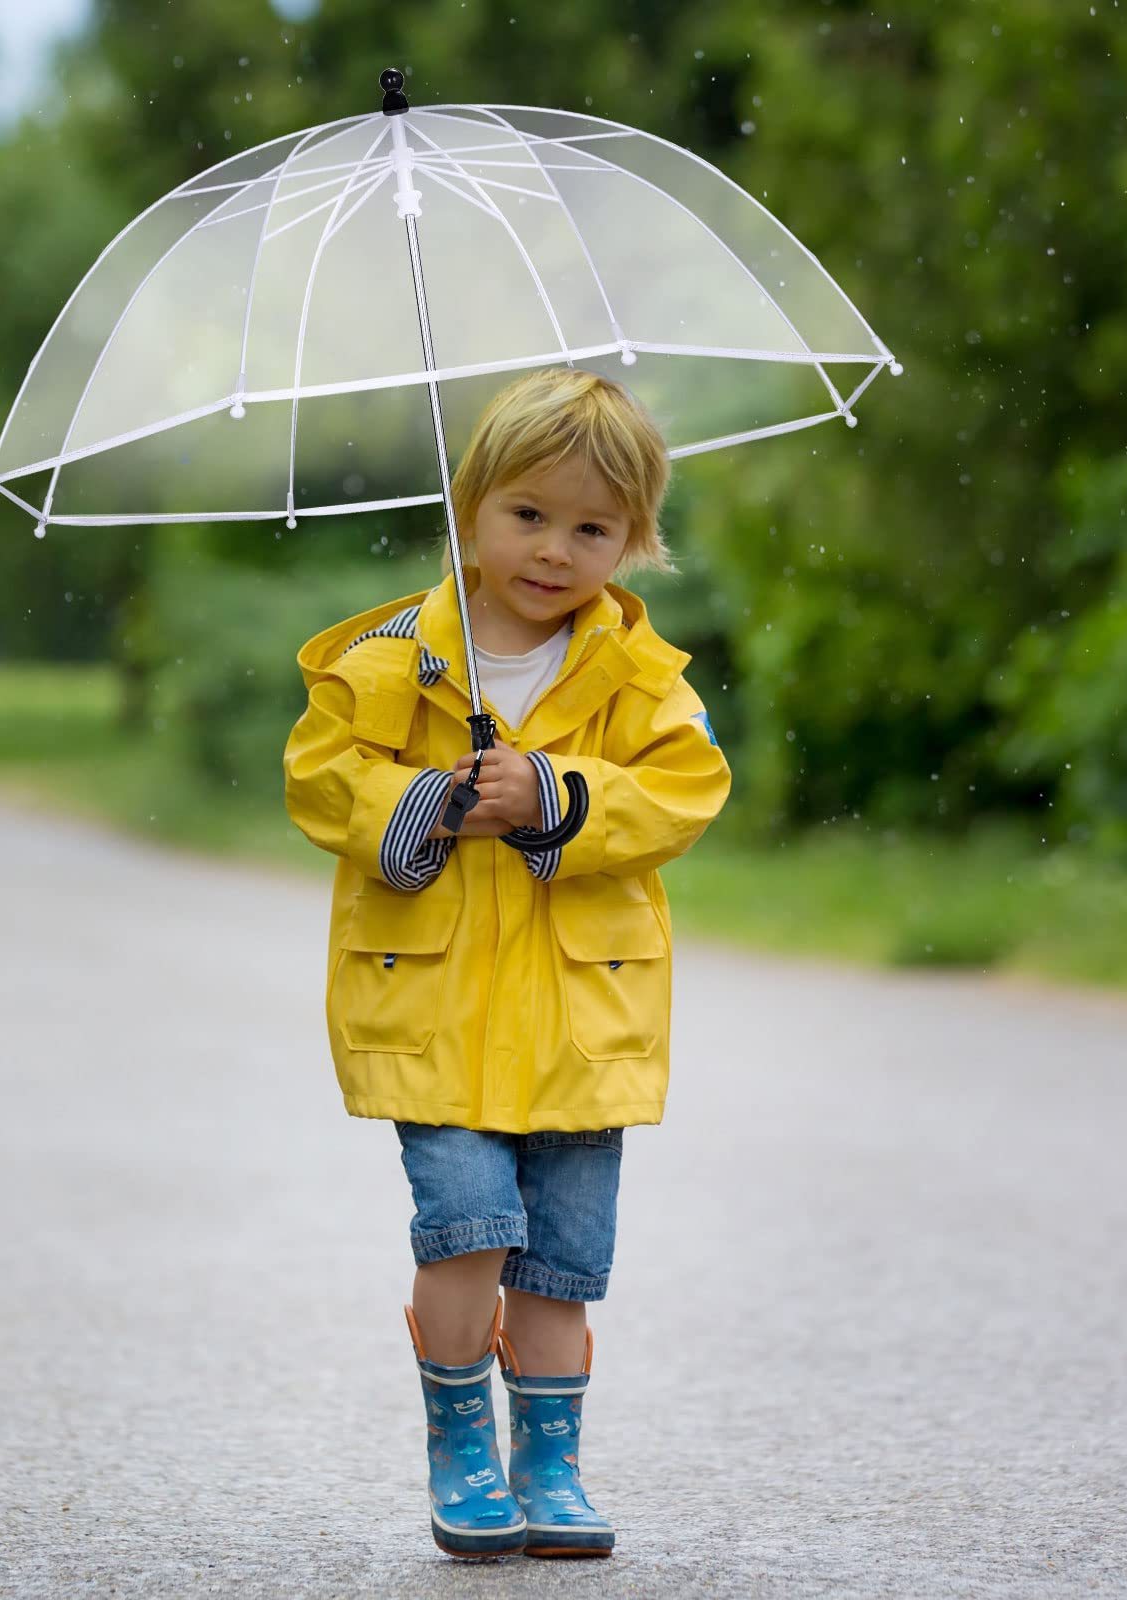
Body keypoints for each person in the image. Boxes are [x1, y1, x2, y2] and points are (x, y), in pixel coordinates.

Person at [282, 366, 732, 1561]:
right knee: (467, 1225)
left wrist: (560, 794)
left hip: (584, 1015)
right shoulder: (389, 658)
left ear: (633, 541)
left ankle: (550, 1462)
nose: (553, 549)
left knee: (559, 1260)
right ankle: (462, 1445)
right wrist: (425, 795)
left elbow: (685, 792)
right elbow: (320, 775)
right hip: (428, 1002)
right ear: (469, 506)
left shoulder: (641, 679)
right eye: (527, 515)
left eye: (592, 528)